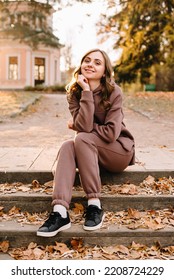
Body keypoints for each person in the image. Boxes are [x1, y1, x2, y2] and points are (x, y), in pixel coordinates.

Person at [37, 48, 135, 237]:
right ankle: (60, 212)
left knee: (81, 137)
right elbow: (83, 126)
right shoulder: (75, 93)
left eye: (97, 62)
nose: (90, 64)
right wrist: (87, 92)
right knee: (68, 145)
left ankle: (94, 205)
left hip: (118, 152)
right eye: (87, 60)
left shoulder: (114, 92)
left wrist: (79, 127)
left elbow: (110, 133)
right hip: (90, 150)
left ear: (105, 71)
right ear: (81, 65)